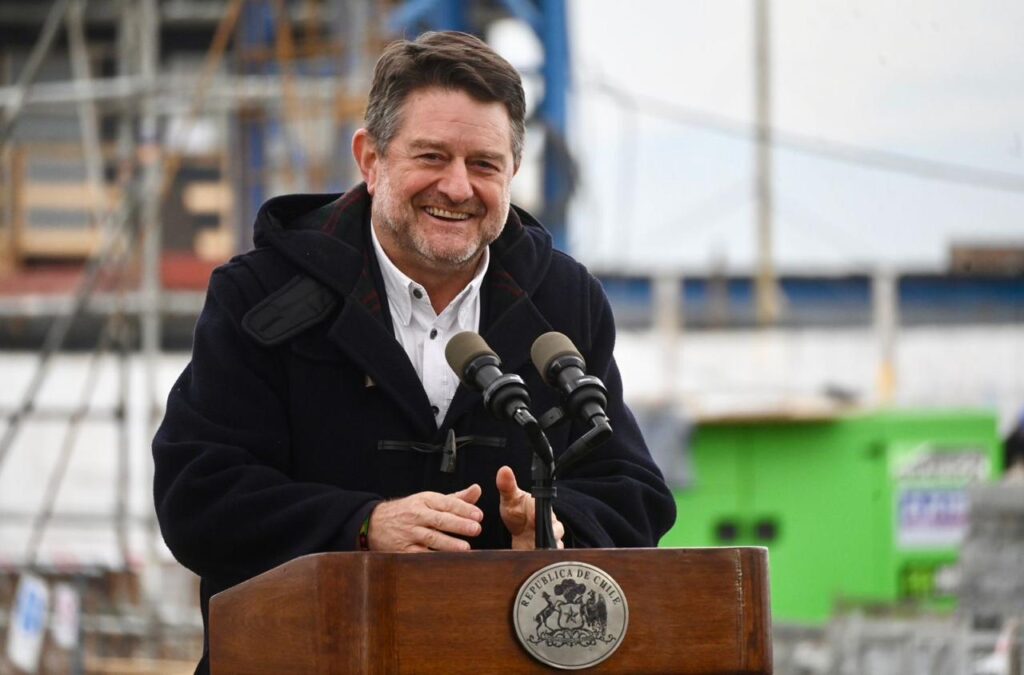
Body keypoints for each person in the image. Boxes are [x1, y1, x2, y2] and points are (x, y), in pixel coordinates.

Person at [153, 30, 676, 673]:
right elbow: (197, 495)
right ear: (370, 159)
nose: (457, 187)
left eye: (484, 165)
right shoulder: (261, 294)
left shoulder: (567, 301)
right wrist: (363, 526)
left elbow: (634, 494)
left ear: (513, 172)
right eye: (432, 157)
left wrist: (553, 529)